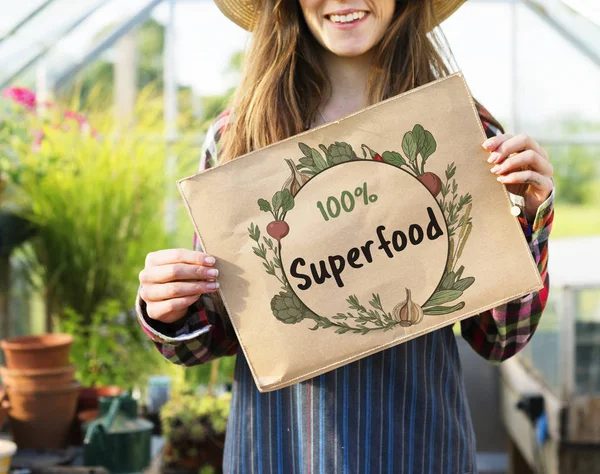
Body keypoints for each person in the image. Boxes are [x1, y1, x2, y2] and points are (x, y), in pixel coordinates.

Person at [136, 1, 554, 472]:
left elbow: (498, 339)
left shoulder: (463, 130)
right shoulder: (238, 137)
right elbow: (216, 336)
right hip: (282, 451)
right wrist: (169, 306)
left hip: (417, 449)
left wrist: (530, 218)